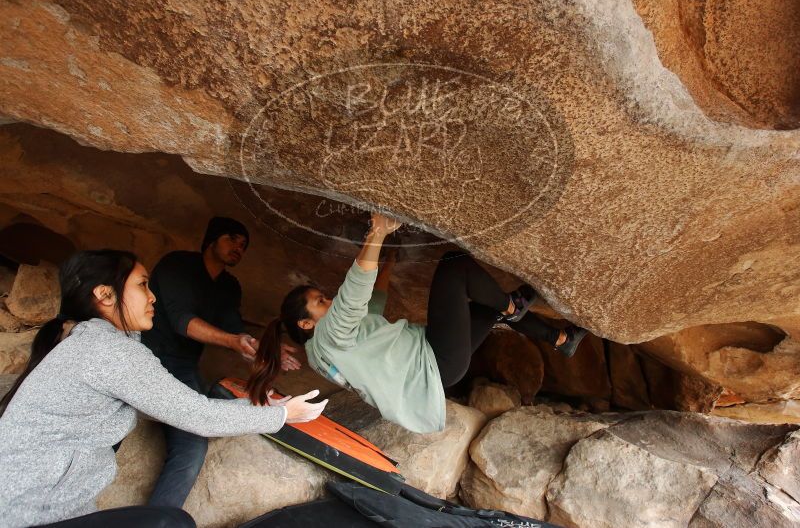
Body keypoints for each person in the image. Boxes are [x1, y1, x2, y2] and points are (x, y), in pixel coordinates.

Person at [0, 249, 326, 528]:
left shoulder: (93, 343)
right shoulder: (107, 350)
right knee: (170, 522)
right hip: (20, 515)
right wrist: (282, 414)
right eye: (143, 285)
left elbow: (178, 405)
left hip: (46, 513)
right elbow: (195, 414)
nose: (152, 295)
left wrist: (260, 406)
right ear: (105, 295)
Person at [248, 213, 587, 433]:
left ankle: (559, 340)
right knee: (454, 266)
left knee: (487, 310)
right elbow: (354, 293)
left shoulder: (330, 350)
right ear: (306, 324)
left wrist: (389, 264)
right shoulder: (328, 338)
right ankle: (512, 306)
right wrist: (377, 232)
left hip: (437, 367)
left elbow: (371, 307)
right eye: (320, 302)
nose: (330, 300)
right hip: (435, 360)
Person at [140, 217, 300, 508]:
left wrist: (265, 347)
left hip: (181, 366)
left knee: (192, 444)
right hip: (144, 354)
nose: (238, 247)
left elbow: (233, 326)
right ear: (211, 239)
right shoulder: (179, 265)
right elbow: (181, 321)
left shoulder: (229, 286)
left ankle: (158, 518)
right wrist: (233, 342)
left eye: (243, 245)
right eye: (232, 239)